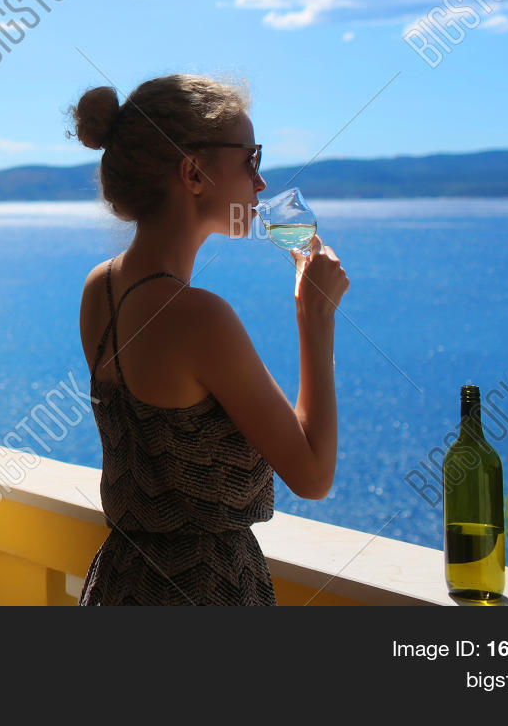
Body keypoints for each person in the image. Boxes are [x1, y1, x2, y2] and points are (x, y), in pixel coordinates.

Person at [69, 74, 349, 605]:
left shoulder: (99, 288)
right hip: (204, 589)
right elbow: (313, 475)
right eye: (250, 159)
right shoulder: (197, 317)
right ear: (194, 173)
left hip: (122, 581)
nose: (260, 184)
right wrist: (316, 318)